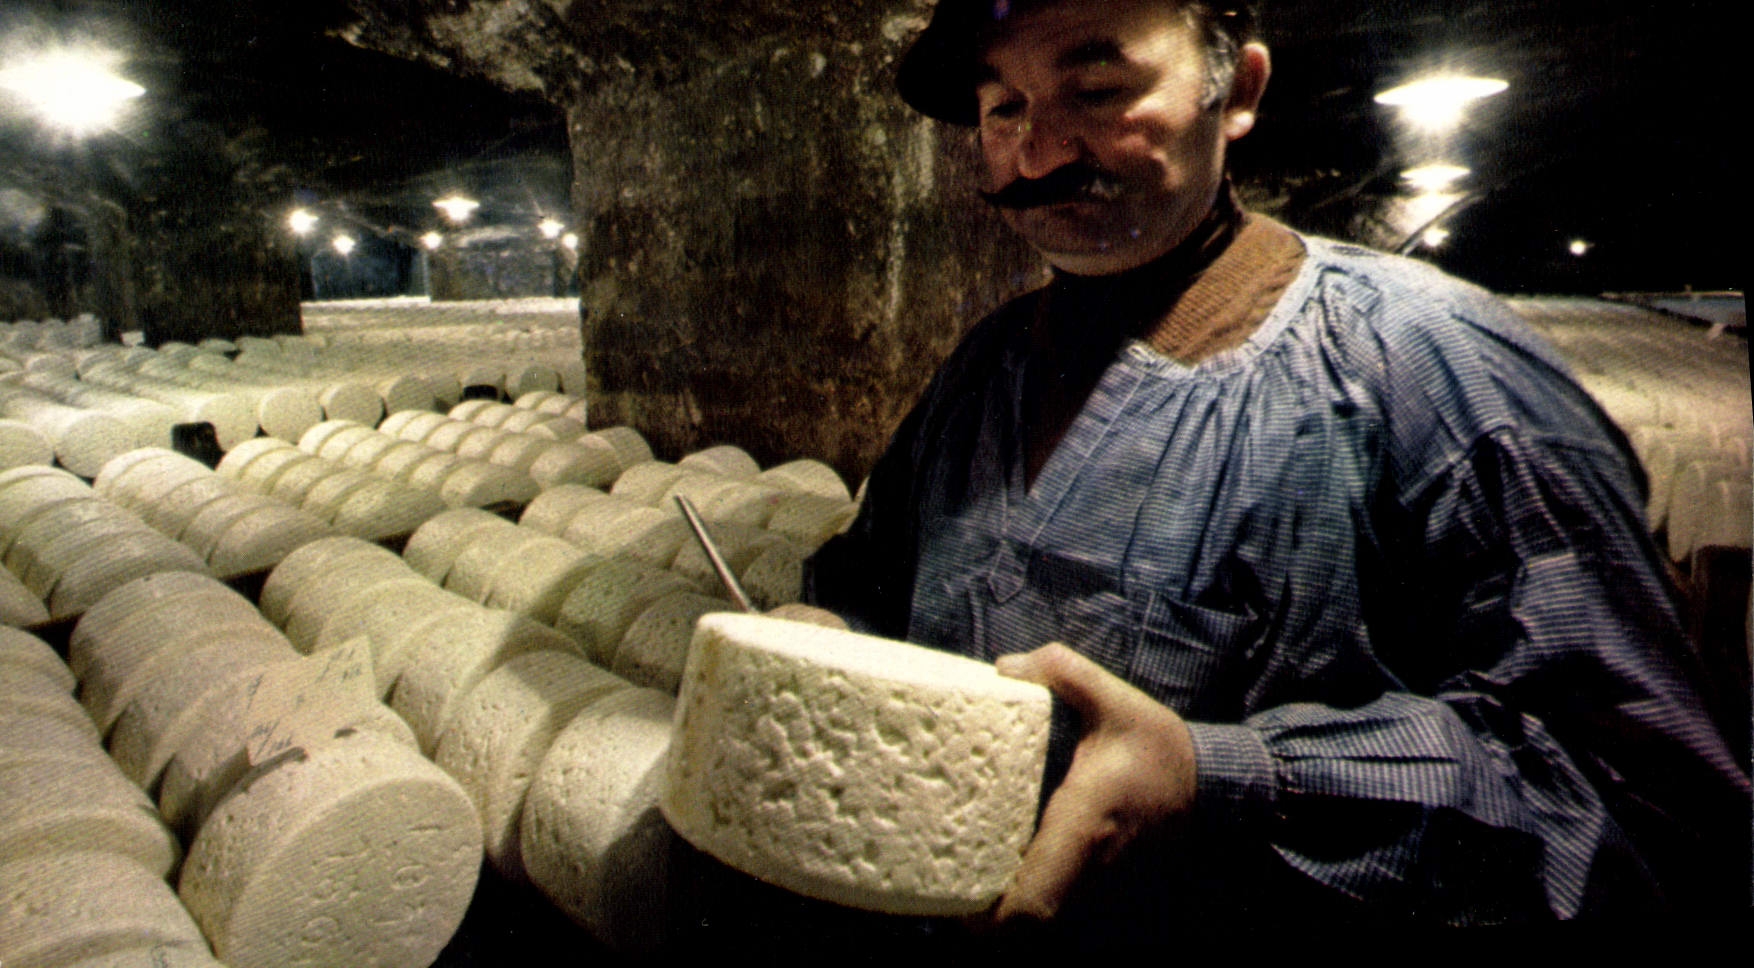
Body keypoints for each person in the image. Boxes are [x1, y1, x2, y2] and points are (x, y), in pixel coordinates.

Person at [805, 0, 1750, 930]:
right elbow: (875, 586)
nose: (1039, 152)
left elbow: (1638, 806)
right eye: (1004, 107)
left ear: (1238, 89)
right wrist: (822, 636)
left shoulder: (1433, 364)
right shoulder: (986, 367)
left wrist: (1219, 780)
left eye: (1095, 89)